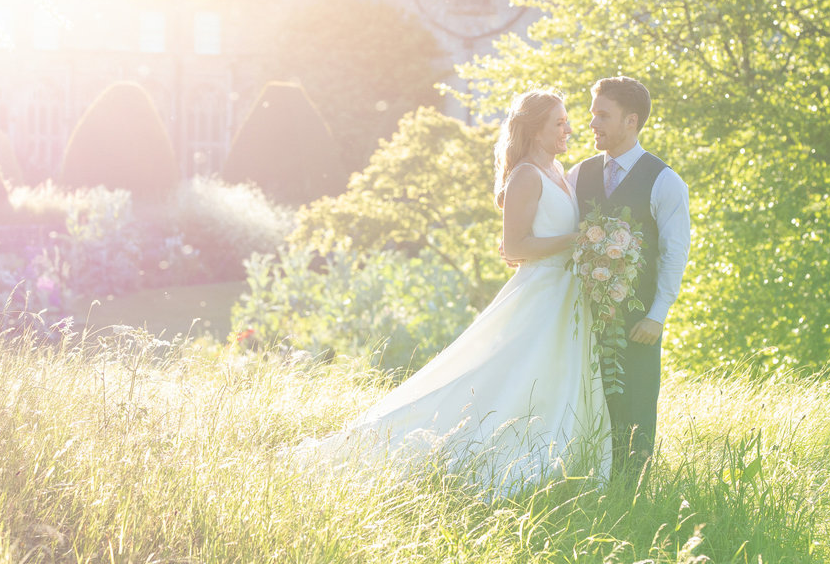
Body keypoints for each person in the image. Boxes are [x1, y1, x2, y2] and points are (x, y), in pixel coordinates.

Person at [295, 90, 610, 496]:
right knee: (510, 375)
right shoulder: (528, 175)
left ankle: (566, 450)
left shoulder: (558, 169)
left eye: (567, 121)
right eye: (559, 122)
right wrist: (578, 240)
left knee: (553, 374)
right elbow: (515, 247)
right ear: (534, 128)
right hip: (541, 294)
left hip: (566, 294)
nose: (569, 128)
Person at [566, 76, 690, 472]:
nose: (592, 124)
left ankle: (631, 495)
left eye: (603, 115)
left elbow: (675, 253)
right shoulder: (577, 175)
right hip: (579, 318)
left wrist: (657, 314)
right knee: (582, 402)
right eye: (592, 114)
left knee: (635, 407)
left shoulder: (665, 181)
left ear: (631, 120)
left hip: (639, 321)